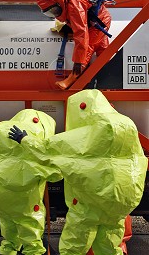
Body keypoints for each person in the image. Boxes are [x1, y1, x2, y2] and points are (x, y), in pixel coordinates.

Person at [13, 90, 147, 255]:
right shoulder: (128, 126)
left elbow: (48, 149)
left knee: (74, 245)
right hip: (121, 204)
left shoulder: (87, 133)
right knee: (110, 245)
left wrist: (25, 140)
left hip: (90, 203)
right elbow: (140, 160)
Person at [0, 109, 62, 255]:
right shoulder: (29, 140)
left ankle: (8, 250)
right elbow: (55, 172)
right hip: (20, 196)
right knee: (30, 228)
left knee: (9, 225)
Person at [35, 0, 112, 90]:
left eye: (54, 10)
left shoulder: (73, 6)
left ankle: (71, 79)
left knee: (89, 46)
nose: (55, 14)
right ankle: (109, 83)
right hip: (98, 20)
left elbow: (81, 33)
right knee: (103, 51)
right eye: (50, 13)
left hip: (99, 23)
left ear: (58, 1)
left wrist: (78, 61)